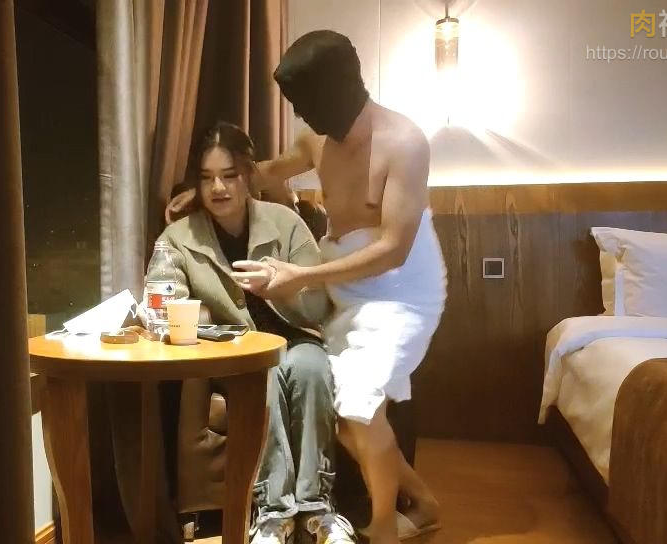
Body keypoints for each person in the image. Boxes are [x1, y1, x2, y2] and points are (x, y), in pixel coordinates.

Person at [230, 30, 447, 543]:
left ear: (342, 89)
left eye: (308, 105)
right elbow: (265, 174)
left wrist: (299, 276)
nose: (303, 117)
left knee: (359, 404)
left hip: (400, 293)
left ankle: (384, 527)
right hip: (346, 291)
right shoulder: (316, 141)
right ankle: (425, 504)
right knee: (342, 414)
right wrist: (199, 193)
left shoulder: (404, 143)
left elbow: (393, 249)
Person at [147, 122, 355, 544]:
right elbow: (160, 303)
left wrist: (285, 285)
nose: (218, 188)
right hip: (236, 354)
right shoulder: (178, 238)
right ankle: (274, 514)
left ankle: (317, 510)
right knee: (263, 377)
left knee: (311, 370)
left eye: (229, 175)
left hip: (297, 338)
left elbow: (320, 305)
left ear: (247, 175)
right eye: (207, 178)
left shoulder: (285, 223)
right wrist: (198, 321)